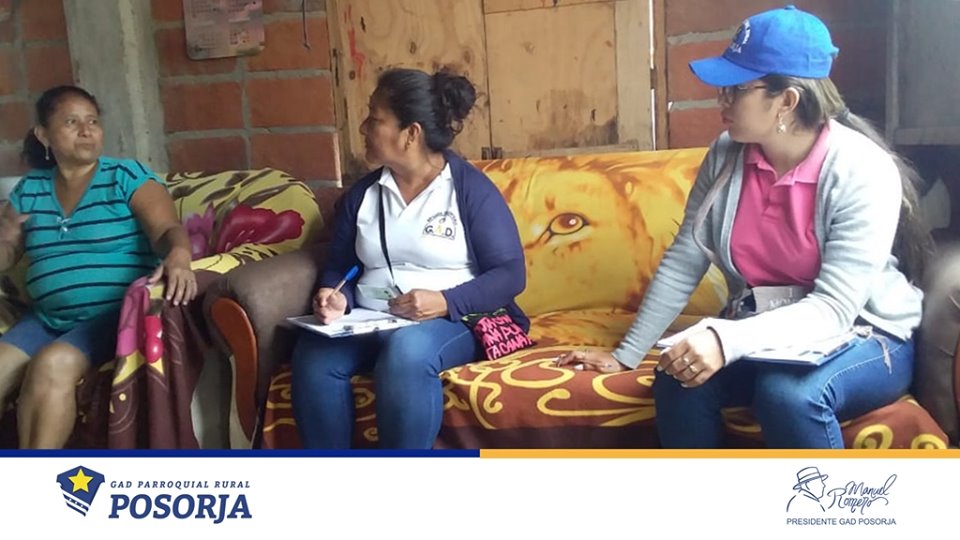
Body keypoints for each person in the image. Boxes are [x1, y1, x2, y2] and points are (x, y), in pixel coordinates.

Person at [557, 6, 933, 449]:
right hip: (768, 327)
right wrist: (626, 355)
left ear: (787, 101)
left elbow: (833, 309)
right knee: (678, 377)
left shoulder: (861, 168)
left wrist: (725, 338)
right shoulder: (727, 154)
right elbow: (685, 259)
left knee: (787, 395)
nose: (721, 101)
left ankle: (819, 500)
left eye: (736, 90)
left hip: (863, 333)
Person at [290, 68, 527, 449]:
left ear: (411, 133)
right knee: (313, 357)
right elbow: (340, 265)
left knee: (407, 353)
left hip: (451, 319)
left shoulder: (469, 190)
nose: (363, 127)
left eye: (375, 119)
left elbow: (510, 274)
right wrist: (336, 295)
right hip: (370, 320)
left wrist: (446, 301)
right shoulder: (363, 195)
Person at [0, 85, 197, 448]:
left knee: (54, 363)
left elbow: (166, 230)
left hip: (112, 315)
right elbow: (7, 252)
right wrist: (6, 233)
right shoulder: (31, 189)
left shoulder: (124, 176)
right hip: (47, 318)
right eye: (71, 122)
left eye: (92, 121)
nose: (86, 130)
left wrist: (179, 255)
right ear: (43, 135)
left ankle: (33, 478)